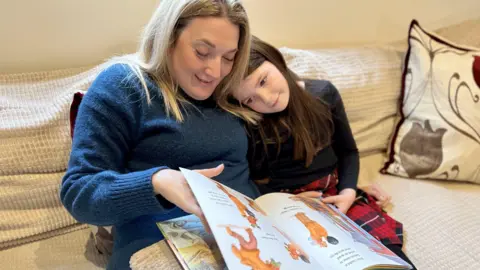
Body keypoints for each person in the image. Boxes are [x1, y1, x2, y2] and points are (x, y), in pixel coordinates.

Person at [60, 1, 260, 269]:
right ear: (168, 39)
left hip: (250, 241)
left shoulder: (229, 90)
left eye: (228, 57)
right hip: (164, 250)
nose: (215, 71)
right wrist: (157, 181)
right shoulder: (125, 85)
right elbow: (79, 193)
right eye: (202, 52)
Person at [225, 36, 417, 269]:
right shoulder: (249, 124)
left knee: (387, 257)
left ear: (274, 59)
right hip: (285, 205)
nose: (266, 99)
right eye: (250, 99)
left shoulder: (324, 93)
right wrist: (288, 201)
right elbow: (250, 179)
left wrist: (348, 191)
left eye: (263, 81)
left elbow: (348, 152)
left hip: (335, 194)